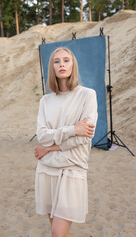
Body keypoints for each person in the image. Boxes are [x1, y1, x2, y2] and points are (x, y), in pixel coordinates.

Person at [35, 47, 98, 237]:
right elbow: (41, 135)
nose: (61, 64)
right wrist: (72, 129)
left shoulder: (87, 95)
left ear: (73, 65)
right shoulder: (45, 101)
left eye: (66, 60)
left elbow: (83, 138)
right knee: (59, 234)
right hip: (47, 170)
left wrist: (50, 148)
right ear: (52, 67)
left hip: (72, 168)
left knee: (58, 233)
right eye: (57, 61)